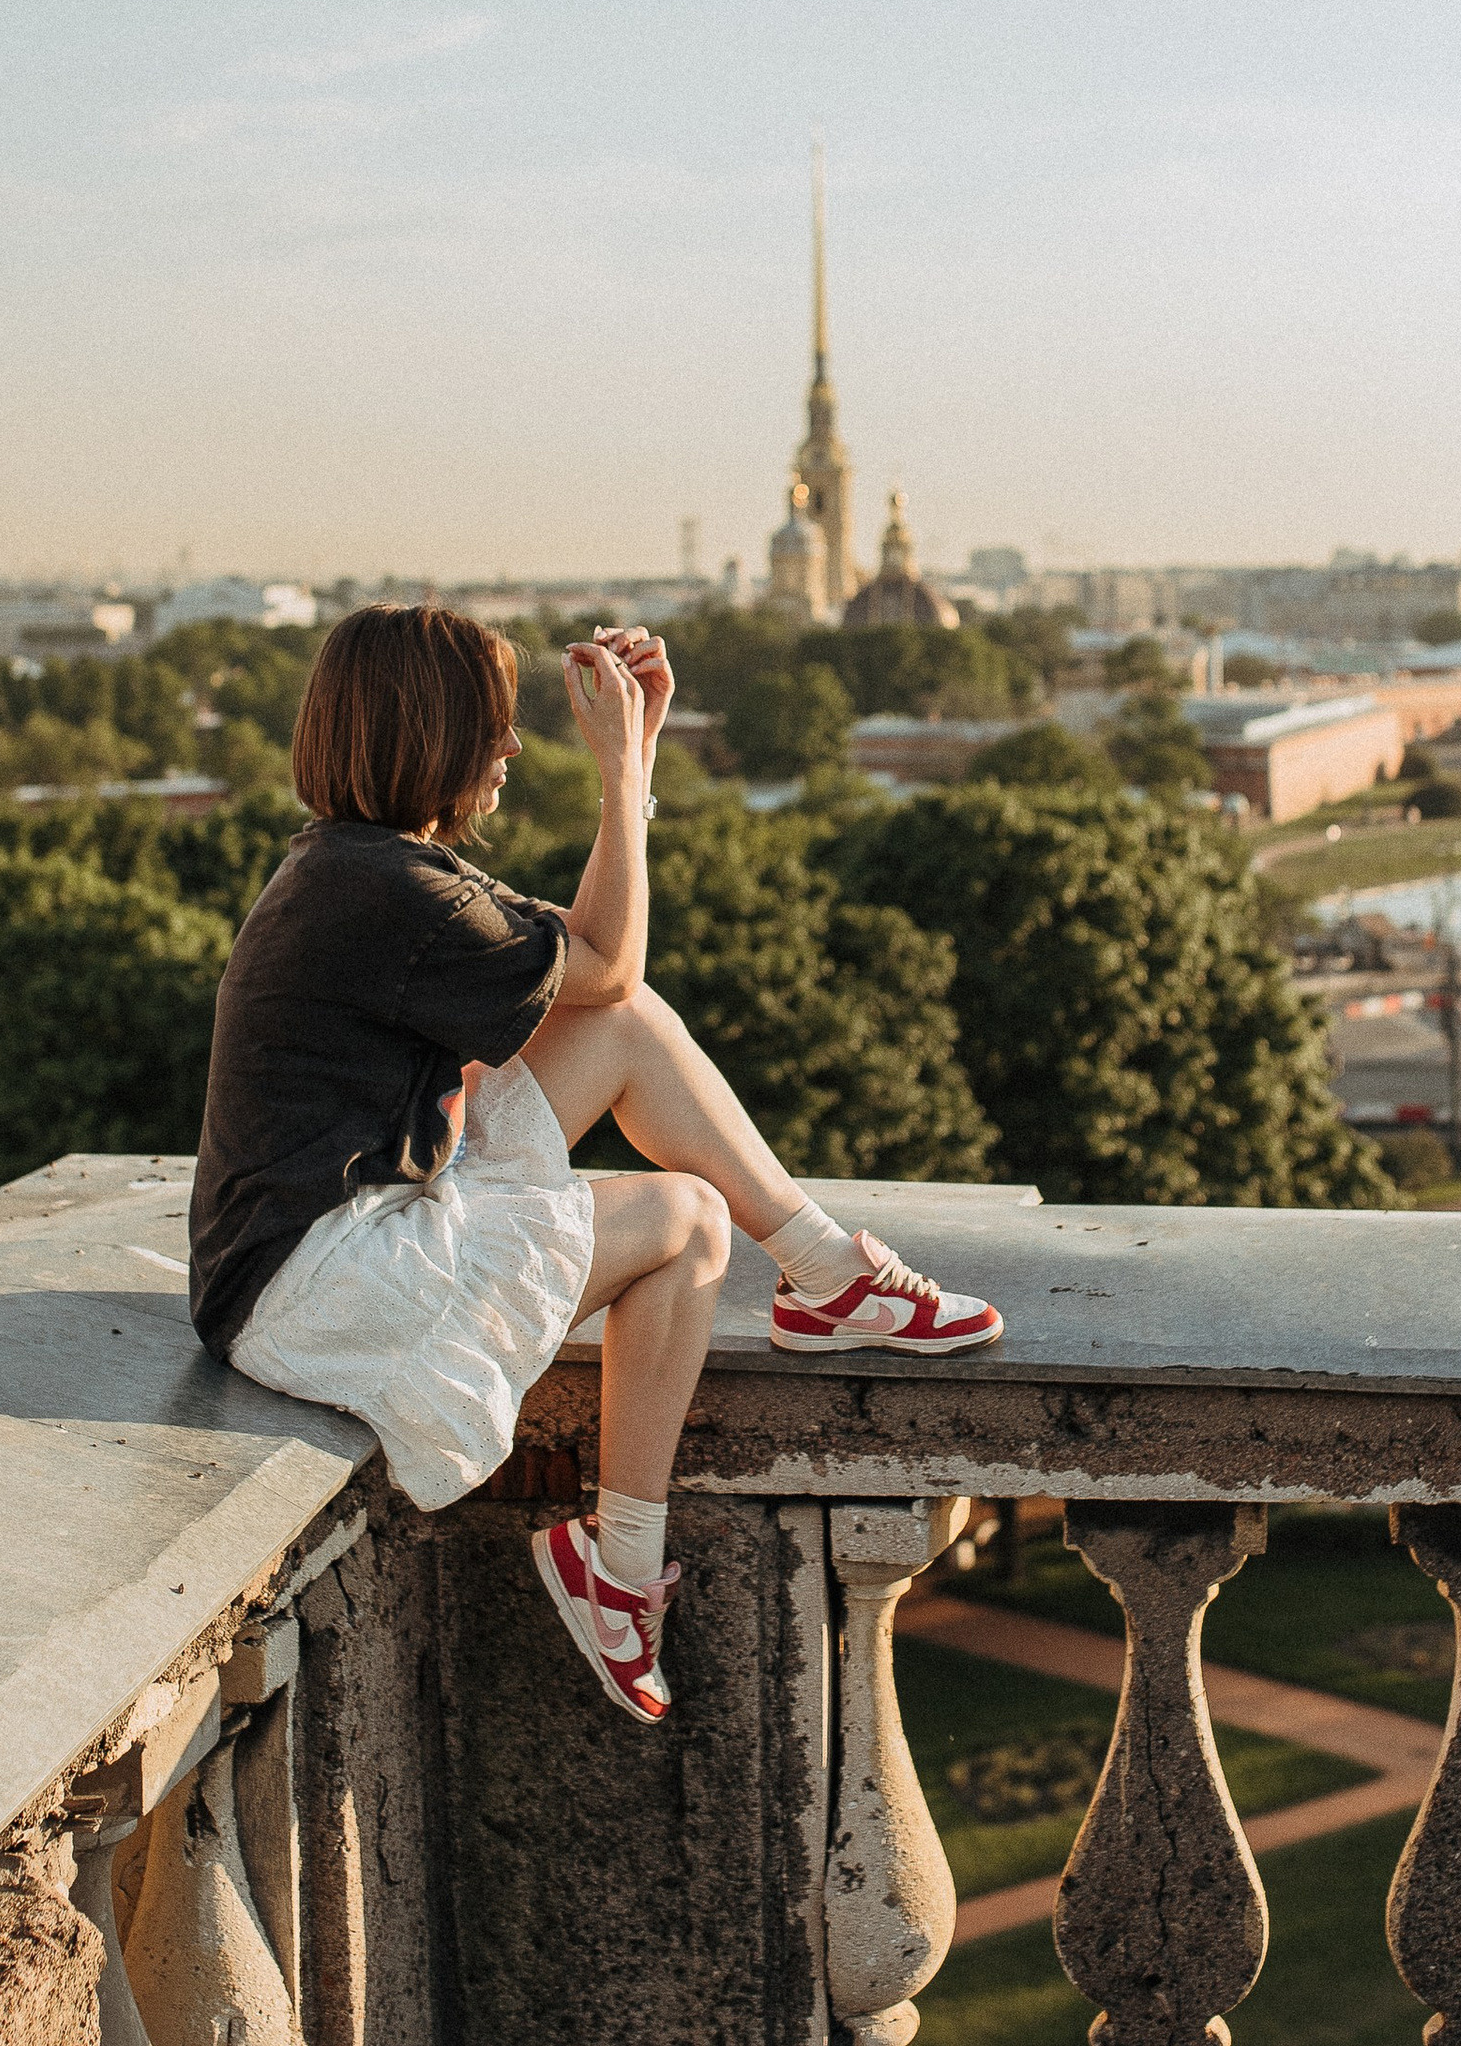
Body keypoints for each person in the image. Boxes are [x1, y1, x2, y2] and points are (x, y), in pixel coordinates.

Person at [188, 601, 1002, 1725]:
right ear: (430, 732)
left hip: (299, 1255)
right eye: (491, 722)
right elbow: (611, 953)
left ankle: (827, 1278)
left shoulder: (359, 869)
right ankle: (619, 1563)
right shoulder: (390, 892)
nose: (512, 745)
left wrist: (640, 757)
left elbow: (594, 971)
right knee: (690, 1221)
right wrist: (620, 771)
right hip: (318, 1289)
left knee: (624, 1027)